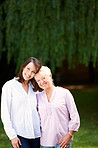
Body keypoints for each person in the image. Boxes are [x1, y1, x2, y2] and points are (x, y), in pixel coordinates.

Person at [34, 66, 80, 148]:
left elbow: (74, 115)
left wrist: (69, 134)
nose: (41, 82)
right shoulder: (37, 97)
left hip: (62, 141)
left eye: (43, 78)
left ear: (50, 76)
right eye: (38, 80)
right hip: (45, 142)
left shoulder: (64, 93)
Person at [1, 57, 42, 148]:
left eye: (33, 72)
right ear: (23, 67)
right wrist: (12, 136)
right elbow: (5, 113)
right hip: (19, 133)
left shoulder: (34, 88)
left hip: (36, 133)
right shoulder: (9, 86)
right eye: (28, 69)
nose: (29, 73)